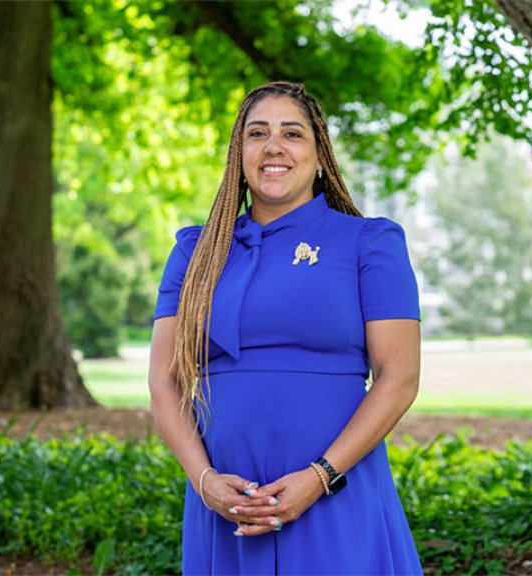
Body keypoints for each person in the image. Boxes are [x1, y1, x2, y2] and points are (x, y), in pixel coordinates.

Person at [148, 81, 423, 575]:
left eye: (292, 134)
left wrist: (319, 478)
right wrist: (205, 480)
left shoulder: (369, 243)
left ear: (319, 155)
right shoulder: (194, 252)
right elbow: (165, 381)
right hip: (227, 507)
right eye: (258, 134)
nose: (273, 146)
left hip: (336, 493)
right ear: (239, 154)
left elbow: (398, 377)